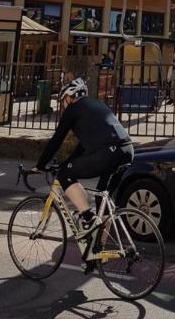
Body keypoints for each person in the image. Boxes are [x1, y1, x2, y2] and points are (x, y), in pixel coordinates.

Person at [34, 78, 133, 239]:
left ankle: (87, 217)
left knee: (65, 174)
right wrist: (69, 162)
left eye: (63, 100)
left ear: (69, 97)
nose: (63, 105)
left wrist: (40, 164)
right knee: (103, 199)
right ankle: (98, 253)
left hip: (108, 153)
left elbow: (56, 140)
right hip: (127, 150)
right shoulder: (97, 105)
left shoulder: (73, 109)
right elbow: (83, 146)